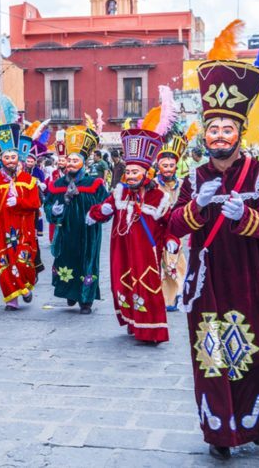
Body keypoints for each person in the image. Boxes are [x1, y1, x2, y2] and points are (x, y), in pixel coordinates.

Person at [166, 17, 259, 459]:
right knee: (214, 355)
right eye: (213, 129)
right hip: (210, 284)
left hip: (255, 278)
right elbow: (173, 226)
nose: (219, 135)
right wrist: (197, 207)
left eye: (227, 129)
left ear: (240, 133)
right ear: (205, 134)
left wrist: (247, 214)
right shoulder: (193, 177)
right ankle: (221, 432)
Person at [88, 99, 172, 344]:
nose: (131, 175)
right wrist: (96, 212)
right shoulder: (119, 192)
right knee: (122, 285)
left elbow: (170, 224)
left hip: (146, 251)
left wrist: (173, 242)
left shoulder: (159, 196)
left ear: (147, 173)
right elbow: (103, 211)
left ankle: (152, 330)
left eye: (136, 172)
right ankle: (134, 322)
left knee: (146, 286)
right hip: (121, 250)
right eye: (129, 172)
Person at [0, 98, 41, 311]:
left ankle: (26, 285)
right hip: (3, 229)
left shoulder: (28, 180)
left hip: (23, 230)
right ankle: (11, 298)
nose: (11, 160)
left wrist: (20, 200)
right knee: (4, 263)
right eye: (7, 157)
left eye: (14, 156)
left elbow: (35, 203)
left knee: (23, 262)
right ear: (1, 160)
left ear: (18, 158)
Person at [44, 124, 107, 314]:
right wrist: (53, 211)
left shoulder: (95, 183)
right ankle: (70, 293)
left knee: (87, 261)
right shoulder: (56, 184)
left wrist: (96, 215)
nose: (70, 164)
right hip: (66, 231)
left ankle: (86, 300)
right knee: (67, 260)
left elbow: (106, 205)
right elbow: (48, 205)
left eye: (75, 161)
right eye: (68, 161)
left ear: (83, 162)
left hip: (88, 233)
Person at [155, 128, 189, 312]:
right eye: (164, 165)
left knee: (175, 262)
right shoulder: (152, 184)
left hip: (176, 228)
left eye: (171, 165)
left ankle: (175, 294)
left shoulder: (183, 185)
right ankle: (161, 295)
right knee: (159, 261)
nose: (168, 169)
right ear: (158, 165)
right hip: (157, 228)